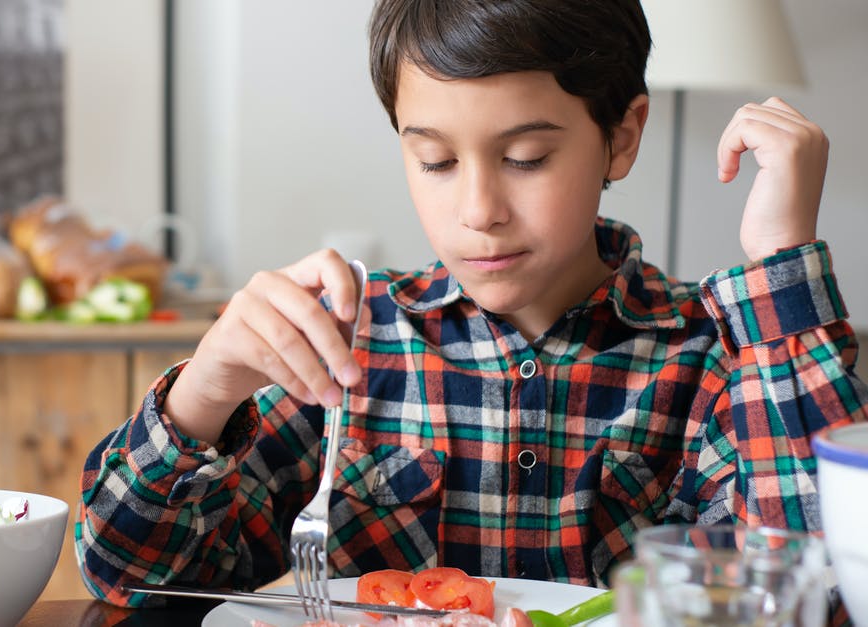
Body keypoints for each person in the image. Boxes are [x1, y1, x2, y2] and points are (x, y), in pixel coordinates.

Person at [75, 0, 865, 621]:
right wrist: (205, 393)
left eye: (526, 158)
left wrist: (779, 264)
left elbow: (822, 596)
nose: (478, 209)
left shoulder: (720, 352)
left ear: (622, 137)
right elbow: (128, 577)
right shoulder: (352, 339)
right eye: (437, 161)